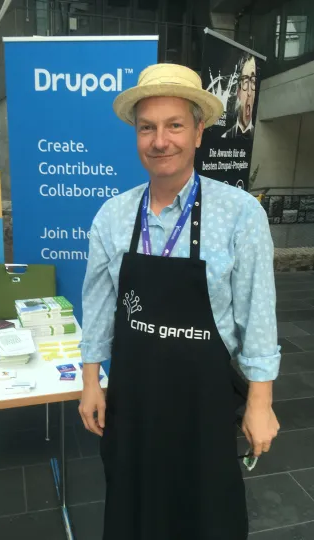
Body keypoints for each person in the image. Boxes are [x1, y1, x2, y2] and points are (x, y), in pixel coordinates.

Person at [79, 63, 280, 540]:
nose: (159, 141)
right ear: (136, 134)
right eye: (147, 128)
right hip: (133, 401)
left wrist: (260, 402)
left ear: (198, 131)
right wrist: (90, 381)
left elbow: (258, 314)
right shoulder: (113, 215)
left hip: (203, 403)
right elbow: (99, 306)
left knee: (208, 516)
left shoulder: (239, 214)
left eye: (174, 126)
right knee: (133, 512)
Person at [222, 53, 257, 139]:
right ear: (238, 91)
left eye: (253, 81)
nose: (249, 92)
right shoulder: (226, 136)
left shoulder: (257, 137)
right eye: (245, 82)